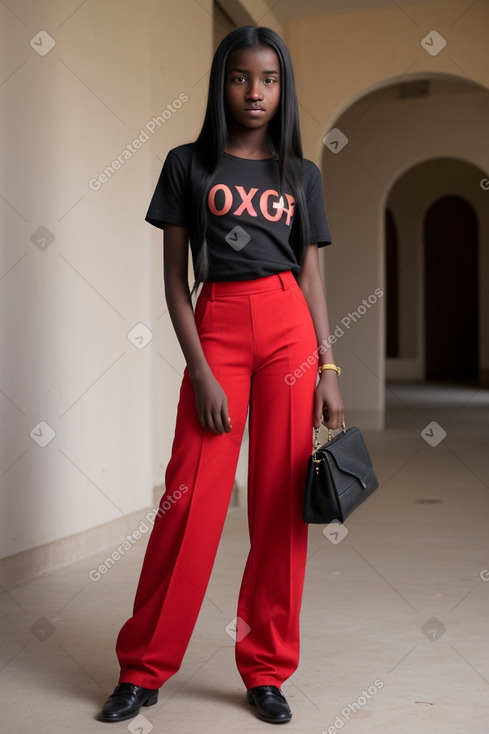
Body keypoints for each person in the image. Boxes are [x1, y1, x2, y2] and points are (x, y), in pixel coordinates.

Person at [99, 25, 343, 726]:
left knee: (278, 506)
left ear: (282, 87)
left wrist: (326, 364)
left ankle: (265, 670)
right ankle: (143, 670)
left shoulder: (300, 175)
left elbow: (311, 276)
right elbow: (176, 283)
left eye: (268, 79)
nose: (255, 91)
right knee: (190, 502)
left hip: (288, 328)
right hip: (219, 327)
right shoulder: (187, 164)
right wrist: (199, 369)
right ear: (222, 84)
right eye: (241, 77)